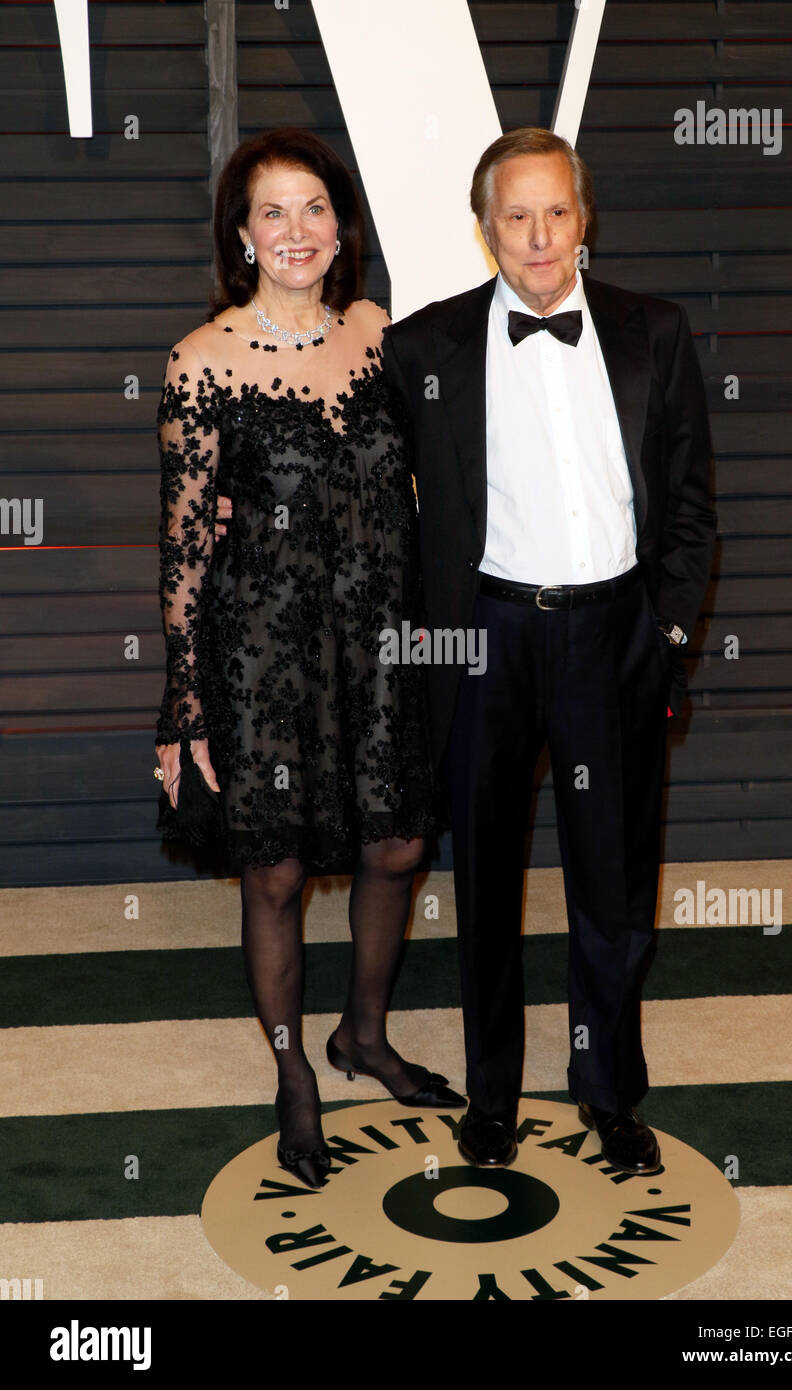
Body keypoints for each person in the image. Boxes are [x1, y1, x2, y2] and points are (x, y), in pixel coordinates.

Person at [379, 128, 717, 1172]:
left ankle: (611, 1091)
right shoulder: (421, 350)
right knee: (483, 882)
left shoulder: (655, 331)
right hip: (487, 637)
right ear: (486, 232)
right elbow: (390, 522)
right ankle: (491, 1098)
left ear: (585, 219)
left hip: (614, 631)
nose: (537, 237)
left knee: (613, 887)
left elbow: (693, 507)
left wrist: (665, 636)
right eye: (514, 217)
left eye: (555, 212)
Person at [153, 128, 465, 1192]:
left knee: (396, 846)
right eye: (271, 212)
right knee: (276, 869)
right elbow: (187, 545)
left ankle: (362, 1035)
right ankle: (294, 1076)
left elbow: (434, 483)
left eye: (314, 208)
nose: (296, 230)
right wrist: (183, 709)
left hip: (381, 639)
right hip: (264, 652)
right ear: (242, 235)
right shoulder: (201, 360)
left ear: (342, 228)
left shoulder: (382, 337)